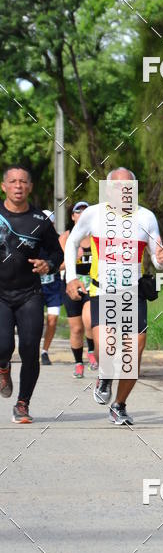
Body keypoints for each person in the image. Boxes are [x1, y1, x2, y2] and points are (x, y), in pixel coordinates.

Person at [64, 168, 163, 425]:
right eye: (117, 187)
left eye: (128, 187)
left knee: (134, 355)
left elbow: (157, 260)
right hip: (103, 290)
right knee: (107, 346)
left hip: (134, 292)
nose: (123, 192)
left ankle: (119, 405)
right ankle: (105, 375)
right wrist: (71, 278)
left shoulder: (146, 217)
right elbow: (71, 242)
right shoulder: (94, 214)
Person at [0, 165, 64, 423]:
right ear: (4, 186)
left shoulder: (40, 221)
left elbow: (56, 252)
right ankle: (3, 366)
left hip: (30, 294)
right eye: (13, 181)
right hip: (0, 295)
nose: (18, 186)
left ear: (30, 187)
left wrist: (47, 264)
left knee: (29, 349)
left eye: (23, 182)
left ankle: (23, 403)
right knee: (3, 345)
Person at [58, 201, 97, 377]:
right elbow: (57, 266)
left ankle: (92, 352)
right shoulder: (66, 238)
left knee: (89, 320)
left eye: (85, 211)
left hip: (92, 286)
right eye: (77, 211)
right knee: (76, 329)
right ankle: (78, 363)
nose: (81, 214)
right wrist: (72, 259)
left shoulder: (97, 235)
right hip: (71, 286)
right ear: (72, 216)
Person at [39, 209, 62, 366]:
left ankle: (45, 351)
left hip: (53, 287)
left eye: (49, 223)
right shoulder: (31, 240)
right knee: (34, 322)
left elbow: (66, 260)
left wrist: (50, 266)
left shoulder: (58, 240)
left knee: (52, 320)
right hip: (34, 288)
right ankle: (31, 349)